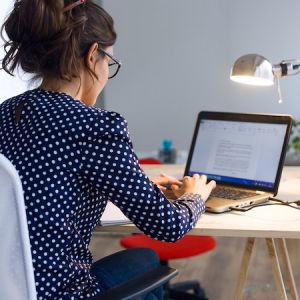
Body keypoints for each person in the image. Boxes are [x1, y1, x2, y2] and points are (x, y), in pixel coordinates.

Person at [0, 0, 216, 299]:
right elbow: (168, 227)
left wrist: (136, 186)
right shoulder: (95, 126)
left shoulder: (7, 113)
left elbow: (41, 188)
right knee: (148, 260)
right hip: (63, 293)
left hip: (11, 287)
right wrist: (196, 195)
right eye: (109, 62)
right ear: (93, 56)